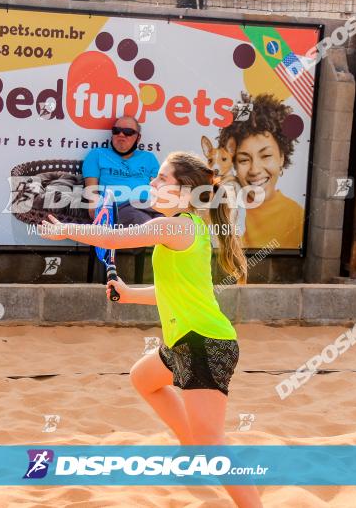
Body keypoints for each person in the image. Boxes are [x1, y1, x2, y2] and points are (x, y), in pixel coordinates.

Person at [39, 151, 263, 508]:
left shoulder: (175, 226)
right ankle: (189, 446)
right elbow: (173, 292)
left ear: (186, 192)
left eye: (161, 179)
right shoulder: (189, 228)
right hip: (186, 342)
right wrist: (129, 295)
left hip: (205, 346)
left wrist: (67, 229)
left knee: (215, 447)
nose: (152, 184)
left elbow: (114, 238)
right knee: (144, 378)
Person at [218, 93, 304, 249]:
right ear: (234, 165)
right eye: (244, 159)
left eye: (265, 156)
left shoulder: (296, 216)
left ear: (282, 158)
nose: (255, 170)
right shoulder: (221, 206)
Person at [82, 115, 160, 225]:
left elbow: (159, 190)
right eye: (116, 131)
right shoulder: (97, 154)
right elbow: (92, 196)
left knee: (167, 222)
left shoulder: (149, 158)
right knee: (140, 219)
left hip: (148, 207)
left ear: (138, 138)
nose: (121, 135)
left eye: (128, 132)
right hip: (118, 210)